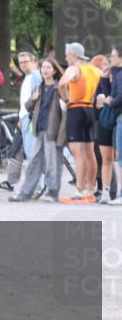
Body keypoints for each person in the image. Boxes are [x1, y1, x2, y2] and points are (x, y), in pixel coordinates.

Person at [10, 59, 67, 202]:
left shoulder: (58, 88)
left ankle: (52, 192)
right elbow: (28, 107)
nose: (45, 70)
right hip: (39, 129)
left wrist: (63, 133)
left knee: (53, 163)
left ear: (54, 71)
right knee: (34, 162)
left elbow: (66, 109)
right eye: (43, 67)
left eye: (48, 67)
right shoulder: (39, 87)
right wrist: (33, 100)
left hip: (53, 130)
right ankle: (26, 192)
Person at [58, 42, 100, 204]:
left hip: (76, 109)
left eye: (67, 54)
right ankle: (90, 189)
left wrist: (65, 98)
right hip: (90, 110)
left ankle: (80, 190)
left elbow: (62, 83)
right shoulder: (94, 70)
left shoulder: (74, 69)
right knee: (90, 152)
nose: (66, 57)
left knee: (78, 153)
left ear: (74, 55)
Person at [0, 51, 42, 192]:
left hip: (30, 119)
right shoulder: (28, 78)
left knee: (31, 152)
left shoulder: (35, 77)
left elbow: (36, 100)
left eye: (25, 62)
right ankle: (12, 181)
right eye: (20, 62)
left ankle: (37, 185)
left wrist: (27, 117)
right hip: (25, 119)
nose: (22, 65)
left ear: (34, 62)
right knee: (17, 150)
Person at [92, 53, 117, 203]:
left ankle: (116, 190)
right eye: (105, 64)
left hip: (116, 119)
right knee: (105, 158)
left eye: (109, 63)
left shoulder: (119, 79)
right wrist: (99, 102)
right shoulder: (103, 80)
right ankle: (106, 190)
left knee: (118, 158)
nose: (107, 67)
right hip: (104, 120)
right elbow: (97, 101)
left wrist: (109, 101)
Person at [102, 44, 122, 205]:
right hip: (118, 118)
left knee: (120, 157)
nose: (110, 58)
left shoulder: (121, 75)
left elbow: (119, 96)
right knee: (117, 157)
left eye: (113, 56)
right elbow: (112, 92)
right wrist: (104, 78)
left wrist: (110, 102)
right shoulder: (117, 74)